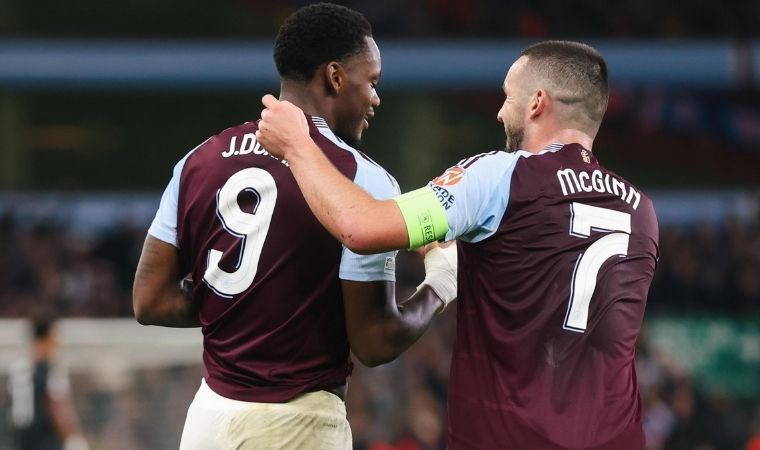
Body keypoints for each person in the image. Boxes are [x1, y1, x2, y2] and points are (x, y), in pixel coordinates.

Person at [256, 40, 660, 449]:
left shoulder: (499, 177)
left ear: (537, 102)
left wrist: (297, 146)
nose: (501, 112)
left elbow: (361, 227)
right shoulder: (641, 210)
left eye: (508, 97)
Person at [131, 3, 456, 450]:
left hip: (208, 420)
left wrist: (245, 307)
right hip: (298, 422)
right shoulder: (363, 180)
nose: (376, 98)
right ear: (335, 77)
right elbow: (376, 342)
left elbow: (149, 300)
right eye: (372, 82)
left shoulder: (197, 160)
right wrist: (441, 283)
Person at [8, 316, 89, 450]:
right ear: (47, 339)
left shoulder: (18, 368)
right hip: (47, 441)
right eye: (54, 338)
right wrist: (73, 438)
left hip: (21, 441)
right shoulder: (51, 370)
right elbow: (57, 407)